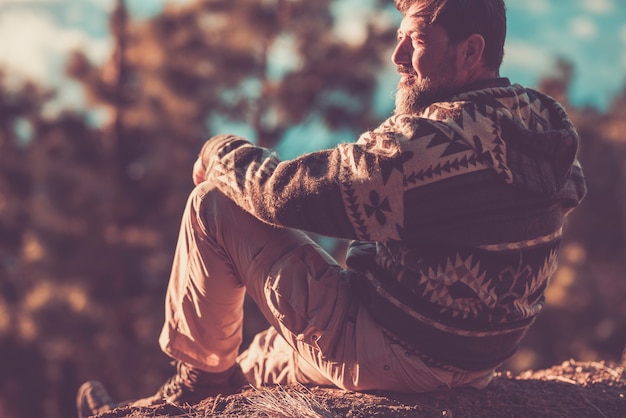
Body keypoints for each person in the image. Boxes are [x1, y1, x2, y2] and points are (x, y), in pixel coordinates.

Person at [77, 0, 586, 415]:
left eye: (419, 41)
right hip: (474, 358)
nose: (399, 56)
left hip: (395, 348)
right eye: (399, 37)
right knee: (261, 357)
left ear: (471, 51)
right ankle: (133, 410)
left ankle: (194, 391)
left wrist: (221, 152)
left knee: (213, 206)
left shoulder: (436, 143)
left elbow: (281, 193)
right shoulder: (542, 125)